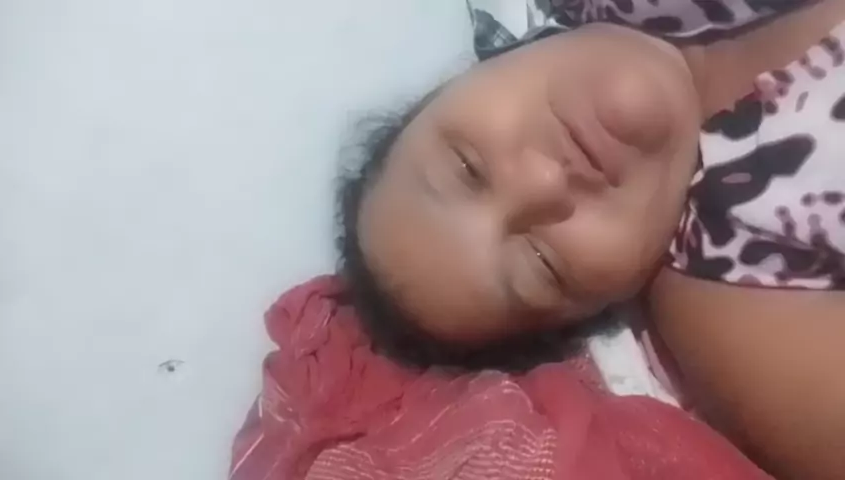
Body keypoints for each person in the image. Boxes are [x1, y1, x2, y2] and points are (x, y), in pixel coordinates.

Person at [336, 0, 845, 478]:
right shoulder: (734, 296)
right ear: (607, 306)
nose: (544, 182)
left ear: (464, 77)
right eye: (543, 262)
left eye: (469, 167)